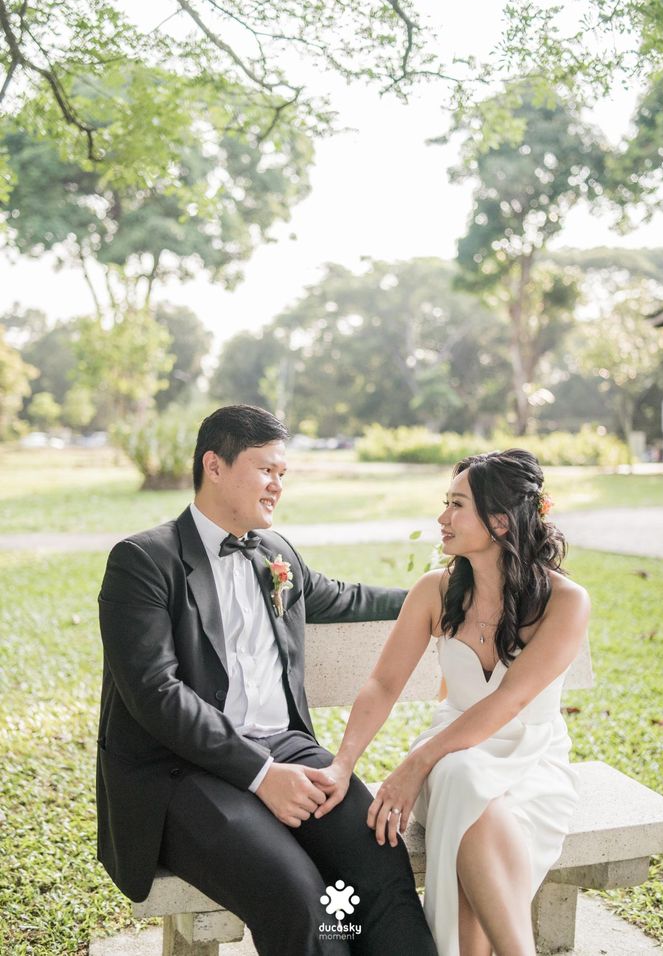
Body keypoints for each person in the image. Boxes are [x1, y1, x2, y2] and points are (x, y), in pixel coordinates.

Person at [96, 404, 436, 956]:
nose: (278, 485)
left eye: (283, 473)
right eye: (266, 470)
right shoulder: (143, 561)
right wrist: (261, 775)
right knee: (299, 895)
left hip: (292, 752)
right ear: (215, 465)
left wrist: (444, 595)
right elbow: (156, 696)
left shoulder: (275, 554)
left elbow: (347, 599)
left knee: (378, 863)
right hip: (184, 772)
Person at [317, 449, 590, 956]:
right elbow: (382, 685)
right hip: (450, 755)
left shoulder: (566, 601)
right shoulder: (435, 592)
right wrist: (342, 763)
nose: (442, 518)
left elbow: (509, 702)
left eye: (457, 505)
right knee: (463, 776)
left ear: (502, 522)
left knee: (469, 793)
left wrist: (414, 764)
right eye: (446, 503)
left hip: (530, 761)